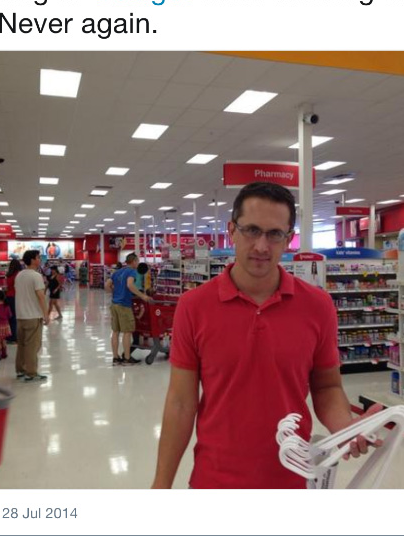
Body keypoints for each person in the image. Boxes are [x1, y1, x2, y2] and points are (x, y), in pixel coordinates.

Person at [152, 182, 382, 489]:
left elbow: (326, 387)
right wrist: (161, 486)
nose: (262, 246)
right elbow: (181, 403)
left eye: (275, 234)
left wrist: (346, 428)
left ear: (288, 240)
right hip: (214, 480)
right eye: (252, 230)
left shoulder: (318, 305)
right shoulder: (194, 306)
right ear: (231, 230)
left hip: (293, 479)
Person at [105, 253, 152, 366]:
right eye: (137, 261)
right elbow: (130, 285)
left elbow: (107, 285)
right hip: (124, 305)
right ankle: (127, 358)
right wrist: (143, 296)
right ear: (134, 261)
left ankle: (116, 358)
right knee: (127, 332)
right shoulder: (132, 271)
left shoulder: (117, 272)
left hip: (114, 304)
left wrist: (115, 293)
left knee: (115, 332)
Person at [14, 250, 49, 382]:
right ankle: (31, 373)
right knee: (32, 346)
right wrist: (46, 314)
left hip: (21, 316)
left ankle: (20, 370)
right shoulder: (36, 276)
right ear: (33, 260)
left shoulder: (19, 275)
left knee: (22, 345)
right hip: (33, 316)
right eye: (38, 257)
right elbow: (41, 296)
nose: (40, 259)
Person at [5, 258, 21, 342]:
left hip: (8, 296)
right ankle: (14, 336)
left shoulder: (9, 274)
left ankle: (9, 335)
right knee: (15, 318)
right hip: (15, 297)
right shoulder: (18, 274)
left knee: (10, 317)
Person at [0, 290, 11, 360]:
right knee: (3, 339)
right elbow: (10, 315)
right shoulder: (6, 305)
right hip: (6, 325)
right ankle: (4, 353)